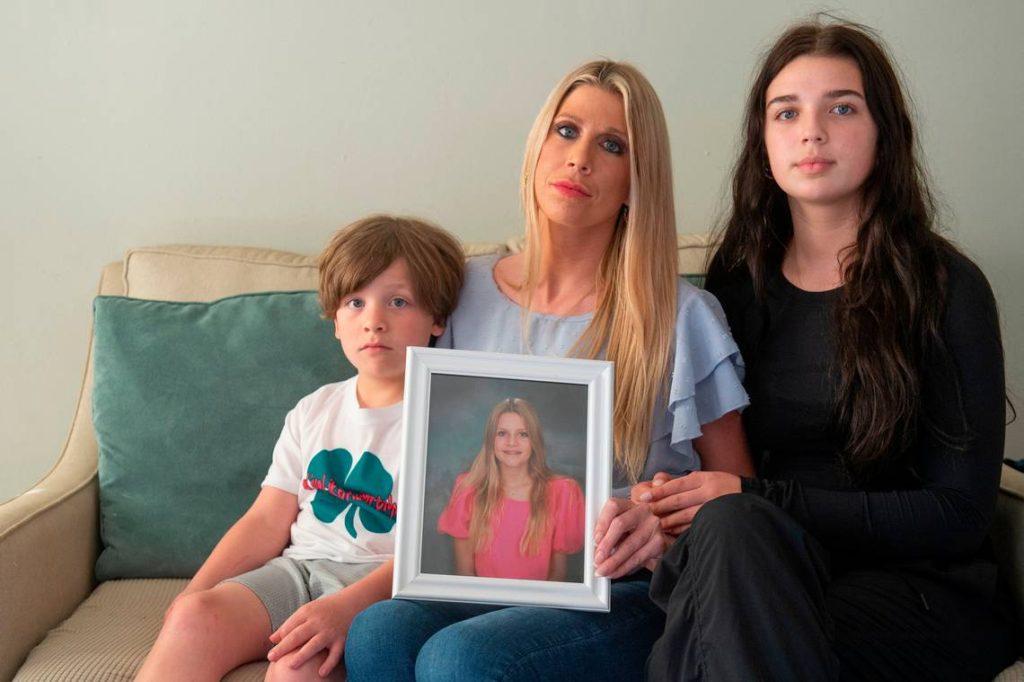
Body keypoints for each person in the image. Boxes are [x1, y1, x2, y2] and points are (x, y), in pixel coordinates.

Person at [345, 60, 754, 681]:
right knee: (377, 631)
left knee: (462, 658)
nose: (580, 158)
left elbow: (742, 501)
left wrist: (661, 531)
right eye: (566, 131)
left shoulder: (683, 316)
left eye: (611, 145)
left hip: (622, 590)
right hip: (477, 576)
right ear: (537, 147)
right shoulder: (461, 290)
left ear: (635, 182)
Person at [642, 18, 1020, 680]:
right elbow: (713, 457)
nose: (811, 130)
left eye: (841, 107)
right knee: (729, 539)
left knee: (724, 602)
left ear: (884, 132)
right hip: (771, 567)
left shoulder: (947, 287)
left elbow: (958, 514)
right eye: (787, 112)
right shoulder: (736, 282)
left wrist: (761, 497)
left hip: (918, 592)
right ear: (763, 142)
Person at [135, 215, 465, 682]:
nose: (374, 321)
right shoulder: (316, 409)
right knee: (193, 618)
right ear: (335, 322)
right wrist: (195, 594)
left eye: (398, 301)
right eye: (355, 302)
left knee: (296, 669)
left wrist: (347, 607)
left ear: (437, 319)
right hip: (297, 572)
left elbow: (438, 547)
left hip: (383, 589)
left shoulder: (453, 420)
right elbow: (266, 519)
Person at [437, 397, 585, 581]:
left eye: (523, 434)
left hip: (538, 607)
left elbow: (557, 577)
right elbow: (464, 573)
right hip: (482, 604)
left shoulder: (563, 492)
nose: (512, 442)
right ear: (491, 440)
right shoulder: (468, 488)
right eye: (502, 433)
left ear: (534, 441)